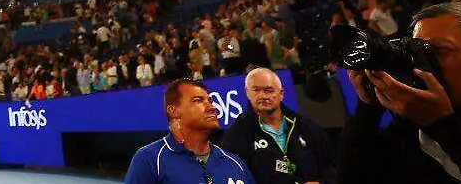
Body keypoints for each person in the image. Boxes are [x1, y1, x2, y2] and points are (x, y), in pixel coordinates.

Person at [338, 2, 461, 183]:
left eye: (439, 51)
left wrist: (444, 127)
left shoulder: (436, 120)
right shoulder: (421, 123)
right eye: (417, 53)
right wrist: (368, 109)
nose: (423, 65)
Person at [125, 79, 254, 184]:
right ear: (174, 111)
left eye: (210, 101)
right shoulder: (150, 159)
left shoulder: (235, 164)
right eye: (198, 100)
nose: (211, 107)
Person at [222, 68, 336, 184]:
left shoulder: (305, 125)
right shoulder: (237, 133)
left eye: (268, 90)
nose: (262, 96)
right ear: (247, 92)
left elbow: (330, 166)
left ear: (281, 94)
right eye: (256, 90)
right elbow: (235, 177)